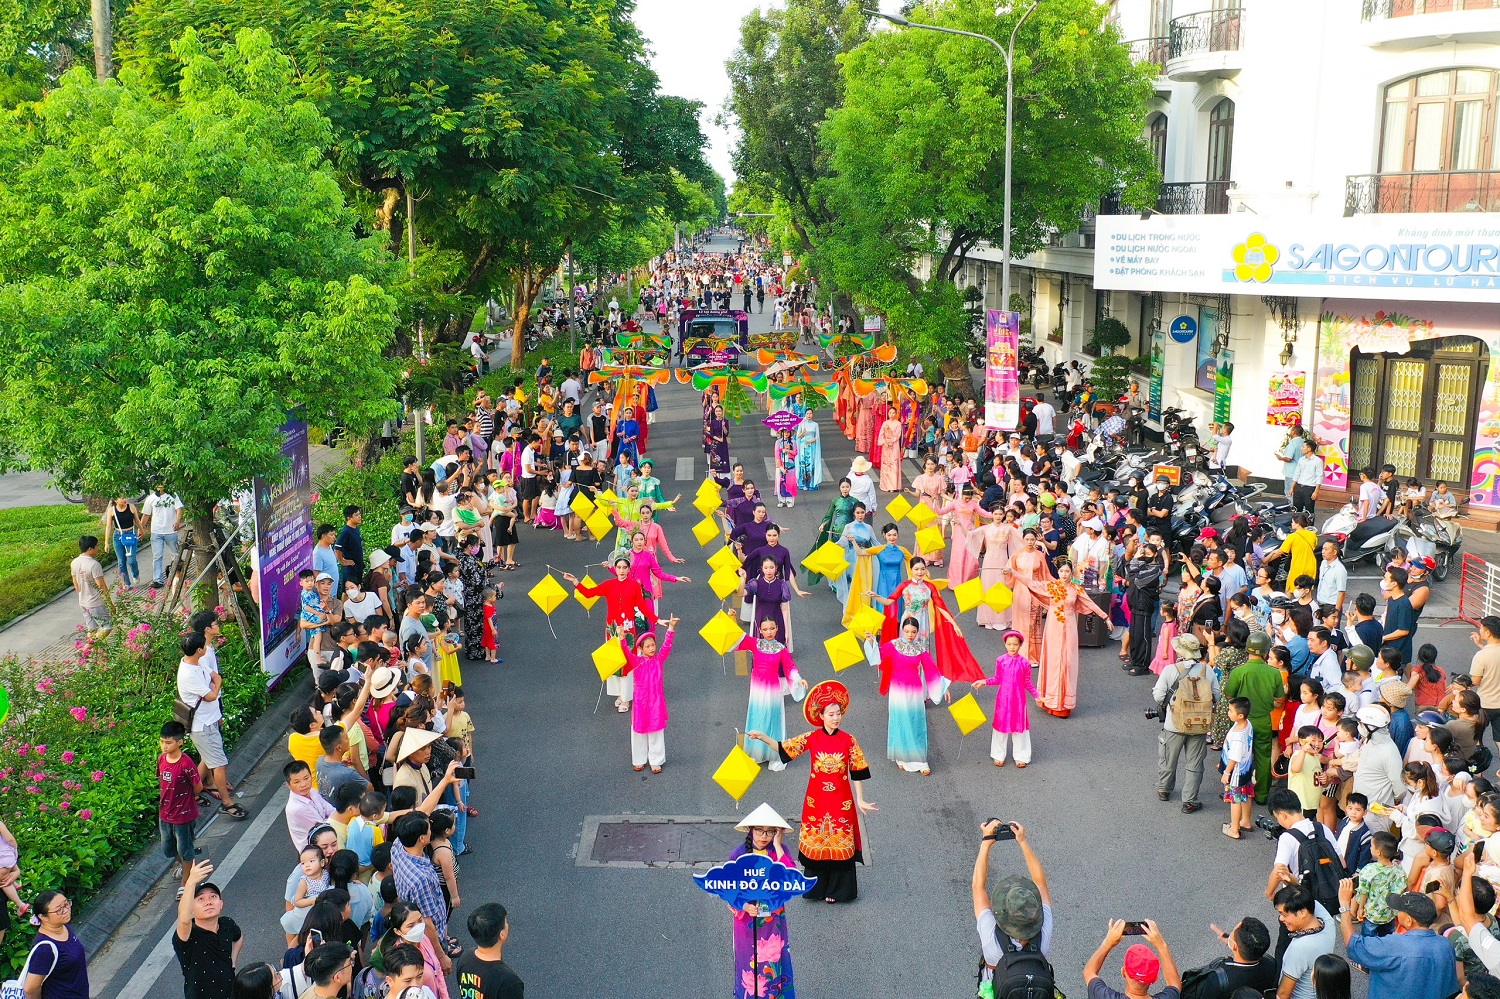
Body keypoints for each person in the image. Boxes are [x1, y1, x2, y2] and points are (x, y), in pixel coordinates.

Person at [745, 681, 876, 903]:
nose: (836, 718)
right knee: (818, 844)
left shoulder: (849, 741)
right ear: (821, 715)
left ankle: (837, 891)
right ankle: (816, 888)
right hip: (817, 802)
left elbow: (858, 770)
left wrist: (860, 799)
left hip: (841, 801)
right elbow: (785, 748)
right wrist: (762, 737)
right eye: (831, 714)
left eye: (838, 713)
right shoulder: (812, 738)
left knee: (839, 843)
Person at [972, 820, 1054, 997]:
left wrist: (986, 841)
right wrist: (1023, 841)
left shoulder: (992, 941)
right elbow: (1041, 883)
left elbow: (978, 886)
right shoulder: (1043, 937)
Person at [1336, 881, 1459, 999]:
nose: (1396, 912)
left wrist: (1345, 907)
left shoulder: (1392, 945)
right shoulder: (1445, 945)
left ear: (1409, 920)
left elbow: (1352, 943)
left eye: (1399, 909)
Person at [724, 804, 798, 999]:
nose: (764, 836)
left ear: (776, 833)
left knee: (774, 961)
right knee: (747, 963)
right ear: (751, 830)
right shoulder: (738, 854)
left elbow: (792, 878)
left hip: (774, 919)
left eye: (770, 831)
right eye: (759, 830)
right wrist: (744, 906)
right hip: (746, 922)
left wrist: (779, 846)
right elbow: (729, 889)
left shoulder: (779, 852)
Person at [1153, 633, 1219, 814]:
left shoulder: (1170, 670)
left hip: (1174, 724)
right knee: (1195, 762)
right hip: (1199, 725)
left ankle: (1164, 789)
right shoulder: (1208, 671)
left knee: (1168, 757)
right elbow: (1217, 697)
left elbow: (1159, 696)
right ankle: (1189, 800)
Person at [1223, 632, 1285, 805]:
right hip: (1264, 720)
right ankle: (1262, 794)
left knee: (1237, 755)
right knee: (1263, 758)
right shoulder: (1274, 673)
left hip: (1241, 721)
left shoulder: (1238, 671)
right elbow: (1280, 698)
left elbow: (1229, 694)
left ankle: (1235, 789)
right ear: (1266, 651)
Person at [174, 860, 242, 999]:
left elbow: (238, 938)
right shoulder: (189, 935)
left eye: (213, 897)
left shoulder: (227, 924)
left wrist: (233, 963)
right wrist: (190, 882)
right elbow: (183, 919)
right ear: (191, 909)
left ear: (221, 904)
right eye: (200, 899)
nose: (208, 902)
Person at [620, 617, 679, 774]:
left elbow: (667, 646)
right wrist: (621, 639)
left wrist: (671, 628)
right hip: (640, 703)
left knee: (656, 731)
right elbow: (625, 652)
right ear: (641, 648)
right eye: (648, 646)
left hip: (656, 703)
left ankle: (656, 761)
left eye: (653, 645)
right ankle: (639, 760)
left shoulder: (658, 660)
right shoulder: (636, 661)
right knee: (639, 732)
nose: (652, 648)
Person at [973, 630, 1040, 768]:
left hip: (1019, 700)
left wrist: (1038, 696)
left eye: (1015, 644)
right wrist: (984, 681)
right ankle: (998, 754)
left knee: (1019, 727)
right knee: (1000, 727)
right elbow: (997, 679)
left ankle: (1021, 755)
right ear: (1005, 644)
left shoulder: (1025, 663)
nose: (1012, 647)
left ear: (1020, 645)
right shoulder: (1001, 660)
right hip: (1003, 700)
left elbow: (1028, 683)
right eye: (1009, 644)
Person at [1178, 917, 1277, 999]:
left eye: (1232, 935)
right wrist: (1234, 941)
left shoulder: (1217, 979)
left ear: (1234, 946)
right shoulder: (1271, 963)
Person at [1082, 919, 1182, 999]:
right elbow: (1174, 984)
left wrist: (1108, 943)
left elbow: (1089, 972)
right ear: (1155, 978)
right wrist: (1161, 945)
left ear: (1123, 972)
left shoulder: (1104, 996)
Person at [157, 721, 203, 888]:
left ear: (180, 742)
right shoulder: (162, 759)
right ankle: (188, 867)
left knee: (185, 850)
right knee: (168, 849)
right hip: (165, 814)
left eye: (168, 742)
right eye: (162, 741)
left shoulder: (186, 764)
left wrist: (188, 800)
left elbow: (198, 786)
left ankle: (187, 881)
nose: (164, 746)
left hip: (183, 816)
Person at [1273, 885, 1337, 999]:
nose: (1281, 919)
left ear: (1303, 912)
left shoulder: (1299, 949)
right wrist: (1293, 883)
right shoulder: (1328, 922)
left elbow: (1283, 993)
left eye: (1284, 914)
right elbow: (1309, 900)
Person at [456, 903, 524, 999]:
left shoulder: (465, 958)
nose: (507, 925)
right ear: (502, 934)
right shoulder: (509, 982)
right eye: (506, 923)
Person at [69, 536, 114, 634]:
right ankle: (86, 648)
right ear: (90, 549)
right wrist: (110, 604)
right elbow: (101, 586)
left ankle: (90, 649)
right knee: (107, 628)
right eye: (97, 546)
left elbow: (75, 583)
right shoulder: (94, 565)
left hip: (83, 602)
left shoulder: (74, 562)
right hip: (96, 603)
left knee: (92, 629)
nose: (99, 548)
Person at [143, 482, 184, 587]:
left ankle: (177, 574)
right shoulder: (150, 498)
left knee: (175, 554)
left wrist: (178, 521)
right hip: (156, 532)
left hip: (171, 531)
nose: (160, 486)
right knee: (157, 556)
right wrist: (140, 528)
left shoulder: (173, 495)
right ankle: (158, 580)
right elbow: (146, 514)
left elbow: (179, 508)